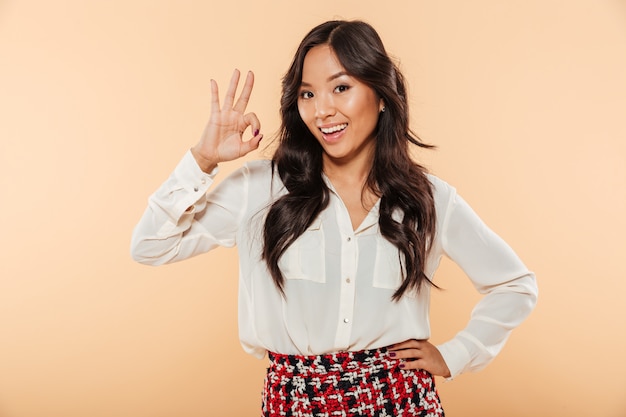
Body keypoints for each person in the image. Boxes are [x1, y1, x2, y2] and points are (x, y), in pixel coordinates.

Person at [131, 20, 538, 417]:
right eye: (307, 94)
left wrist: (457, 354)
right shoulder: (260, 189)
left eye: (340, 88)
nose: (322, 110)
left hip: (400, 399)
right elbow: (150, 246)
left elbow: (515, 285)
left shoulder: (428, 199)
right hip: (294, 401)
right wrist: (201, 161)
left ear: (381, 95)